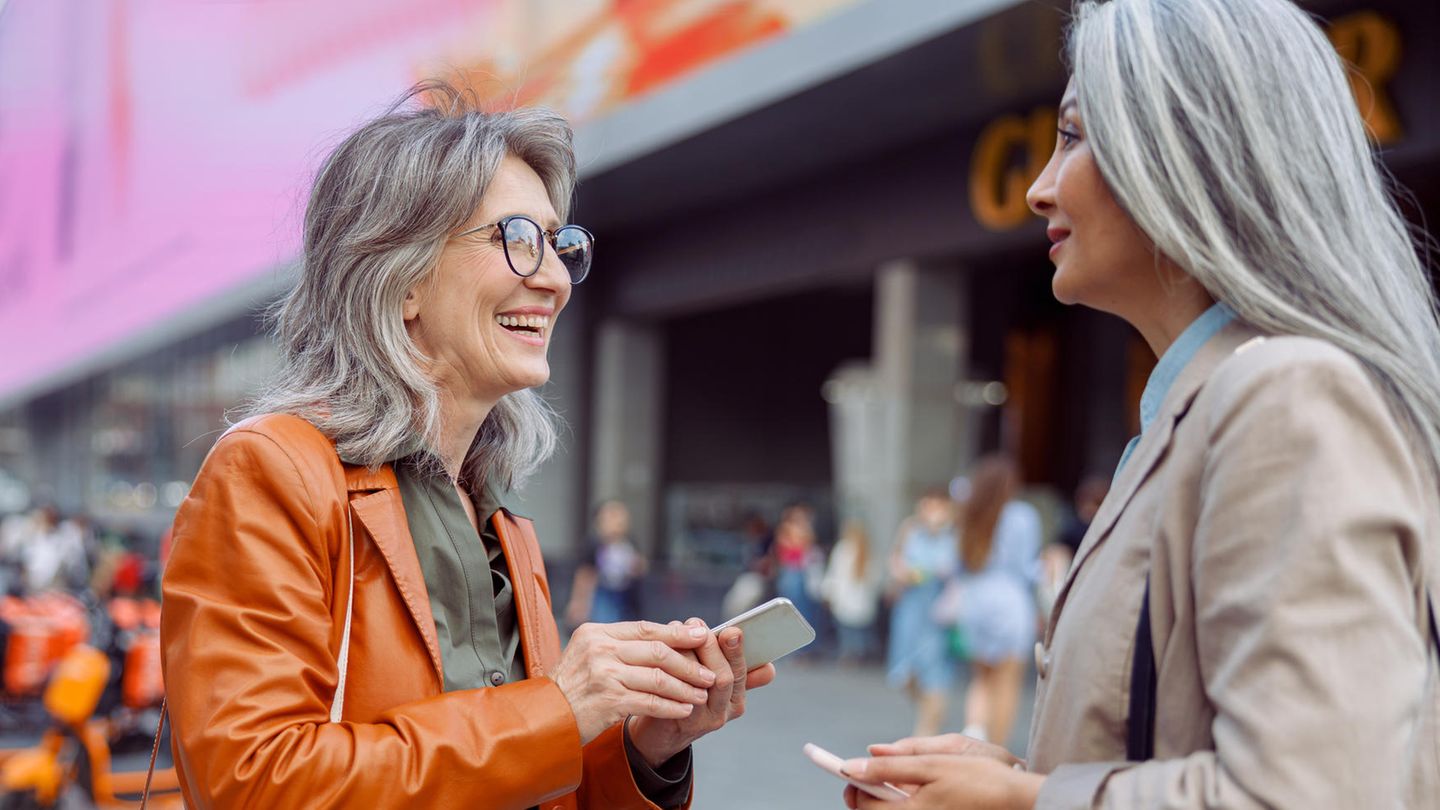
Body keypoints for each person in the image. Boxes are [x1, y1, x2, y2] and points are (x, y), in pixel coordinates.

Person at [843, 0, 1440, 806]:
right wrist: (1012, 779)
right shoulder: (1200, 411)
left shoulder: (1290, 399)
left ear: (1193, 147)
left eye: (1074, 135)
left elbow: (1309, 792)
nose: (1038, 191)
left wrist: (1025, 801)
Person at [160, 81, 774, 810]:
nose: (552, 278)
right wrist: (560, 709)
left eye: (557, 243)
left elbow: (530, 783)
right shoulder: (272, 471)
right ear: (400, 276)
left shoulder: (501, 520)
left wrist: (644, 747)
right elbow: (253, 785)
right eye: (516, 240)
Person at [949, 455, 1040, 750]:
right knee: (1007, 682)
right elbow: (1026, 568)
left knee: (981, 677)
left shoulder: (969, 513)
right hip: (1010, 600)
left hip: (974, 599)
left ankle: (974, 735)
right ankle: (995, 750)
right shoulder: (1022, 516)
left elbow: (957, 564)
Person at [885, 490, 960, 737]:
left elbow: (959, 569)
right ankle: (931, 711)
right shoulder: (911, 531)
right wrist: (899, 574)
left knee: (935, 674)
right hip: (910, 611)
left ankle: (925, 732)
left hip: (939, 615)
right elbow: (895, 561)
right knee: (905, 674)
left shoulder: (955, 535)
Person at [566, 500, 647, 626]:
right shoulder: (594, 543)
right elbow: (585, 574)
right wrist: (579, 603)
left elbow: (641, 566)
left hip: (626, 595)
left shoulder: (629, 542)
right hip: (602, 595)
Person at [820, 519, 879, 665]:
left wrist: (828, 591)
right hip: (859, 598)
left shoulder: (843, 549)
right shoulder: (867, 550)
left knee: (846, 629)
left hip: (845, 597)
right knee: (859, 629)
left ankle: (850, 653)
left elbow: (834, 573)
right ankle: (859, 652)